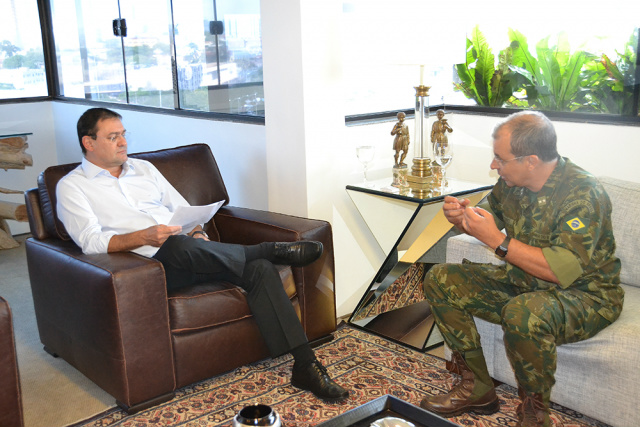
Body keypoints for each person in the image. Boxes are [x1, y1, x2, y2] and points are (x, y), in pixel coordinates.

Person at [56, 107, 349, 403]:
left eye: (123, 134)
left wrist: (198, 232)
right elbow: (90, 242)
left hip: (192, 252)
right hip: (148, 269)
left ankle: (305, 365)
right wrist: (143, 236)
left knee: (259, 269)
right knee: (181, 246)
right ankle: (269, 250)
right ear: (88, 143)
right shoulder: (72, 187)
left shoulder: (143, 169)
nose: (123, 142)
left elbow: (186, 213)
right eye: (113, 136)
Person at [419, 111, 622, 427]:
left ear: (531, 160)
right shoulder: (510, 184)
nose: (493, 166)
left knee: (522, 312)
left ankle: (534, 414)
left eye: (500, 159)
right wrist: (462, 217)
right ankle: (478, 387)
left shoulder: (583, 193)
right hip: (524, 281)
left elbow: (560, 270)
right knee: (441, 278)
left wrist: (499, 242)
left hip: (584, 297)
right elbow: (486, 219)